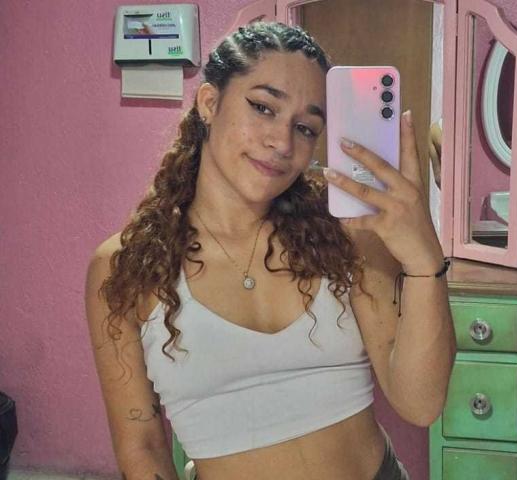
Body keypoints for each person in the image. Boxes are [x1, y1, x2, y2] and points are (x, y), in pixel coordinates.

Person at [84, 22, 456, 480]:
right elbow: (141, 446)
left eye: (305, 127)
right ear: (209, 103)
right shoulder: (126, 266)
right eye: (263, 108)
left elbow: (421, 404)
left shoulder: (347, 236)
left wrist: (423, 260)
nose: (282, 143)